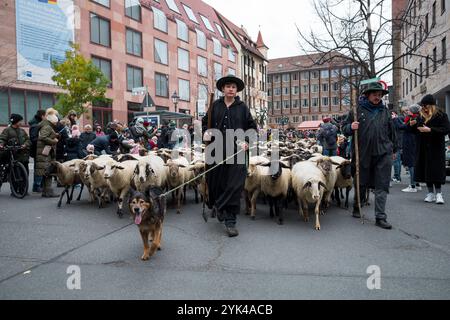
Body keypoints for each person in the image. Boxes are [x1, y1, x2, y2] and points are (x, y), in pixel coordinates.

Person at [202, 74, 257, 237]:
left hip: (237, 152)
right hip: (216, 150)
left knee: (234, 186)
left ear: (236, 90)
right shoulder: (215, 106)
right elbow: (206, 123)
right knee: (217, 184)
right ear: (223, 89)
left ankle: (230, 220)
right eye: (228, 87)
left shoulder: (242, 107)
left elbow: (252, 127)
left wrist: (247, 141)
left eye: (233, 87)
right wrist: (206, 132)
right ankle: (220, 207)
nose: (231, 89)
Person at [343, 82, 397, 230]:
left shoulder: (385, 112)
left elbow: (392, 132)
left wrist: (394, 149)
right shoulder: (357, 110)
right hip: (363, 153)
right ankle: (357, 205)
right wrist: (350, 127)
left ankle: (380, 217)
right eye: (375, 94)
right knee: (361, 182)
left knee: (382, 184)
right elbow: (344, 128)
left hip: (383, 152)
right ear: (368, 95)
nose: (377, 97)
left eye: (380, 95)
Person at [411, 94, 450, 204]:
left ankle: (438, 194)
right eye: (422, 106)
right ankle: (430, 193)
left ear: (431, 105)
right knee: (426, 170)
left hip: (436, 148)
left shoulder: (441, 115)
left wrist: (430, 130)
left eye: (425, 106)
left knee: (436, 171)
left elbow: (446, 129)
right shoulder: (421, 116)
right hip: (423, 147)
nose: (423, 108)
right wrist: (413, 125)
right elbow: (415, 131)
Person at [394, 104, 421, 193]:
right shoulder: (414, 118)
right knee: (413, 163)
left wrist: (396, 119)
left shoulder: (414, 119)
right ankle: (416, 184)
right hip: (412, 142)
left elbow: (403, 127)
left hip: (410, 143)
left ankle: (413, 185)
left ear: (413, 111)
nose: (407, 111)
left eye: (409, 110)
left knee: (411, 164)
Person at [36, 111, 60, 198]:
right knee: (48, 171)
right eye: (56, 122)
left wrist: (55, 135)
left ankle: (46, 192)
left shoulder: (46, 126)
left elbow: (44, 136)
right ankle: (49, 192)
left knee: (46, 172)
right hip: (46, 152)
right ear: (53, 121)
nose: (56, 124)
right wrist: (54, 141)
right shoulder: (47, 127)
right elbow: (42, 137)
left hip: (44, 152)